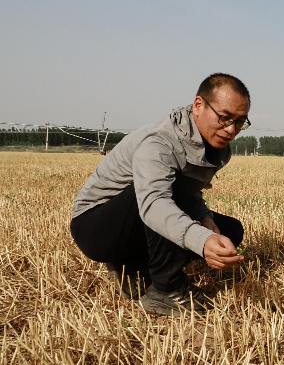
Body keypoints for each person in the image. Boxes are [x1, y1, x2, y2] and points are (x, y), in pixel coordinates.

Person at [71, 73, 250, 316]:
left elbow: (190, 193)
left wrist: (204, 217)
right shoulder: (160, 142)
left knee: (230, 231)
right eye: (224, 118)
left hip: (140, 217)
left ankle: (135, 267)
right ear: (198, 105)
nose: (231, 130)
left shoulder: (213, 145)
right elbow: (155, 203)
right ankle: (166, 288)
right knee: (171, 195)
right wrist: (201, 240)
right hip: (97, 227)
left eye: (239, 122)